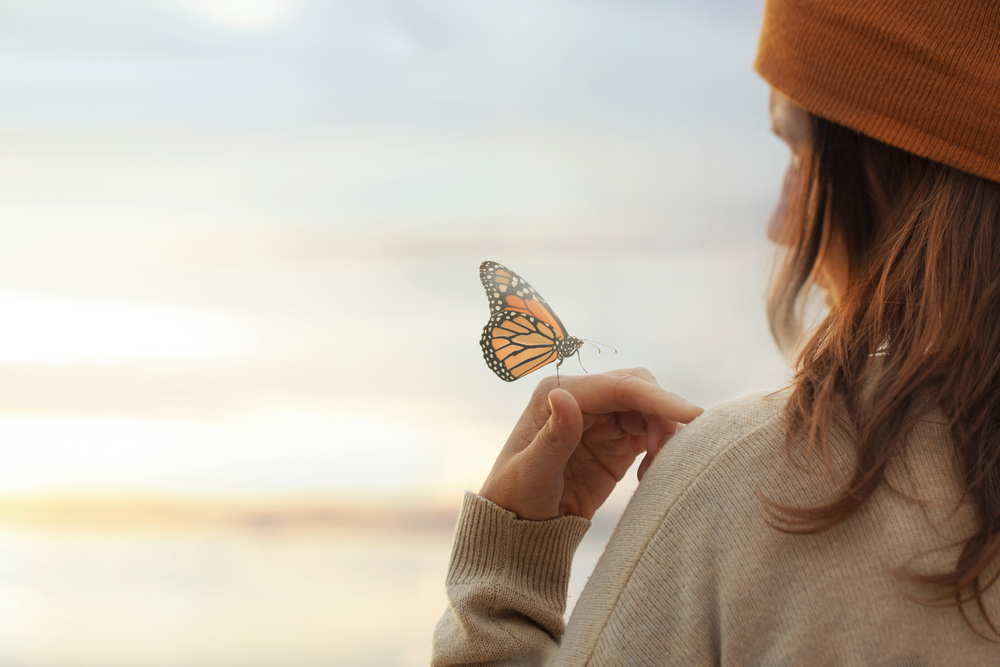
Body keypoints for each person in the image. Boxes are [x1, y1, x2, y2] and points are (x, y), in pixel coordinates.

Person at [432, 0, 1000, 664]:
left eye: (800, 154)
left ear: (893, 167)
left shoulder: (760, 485)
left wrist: (504, 580)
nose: (781, 225)